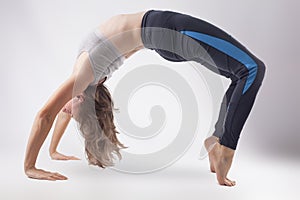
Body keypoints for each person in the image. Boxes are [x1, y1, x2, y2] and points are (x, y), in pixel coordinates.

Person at [24, 10, 265, 186]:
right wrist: (30, 167)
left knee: (241, 72)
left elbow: (55, 114)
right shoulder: (86, 74)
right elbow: (46, 115)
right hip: (167, 31)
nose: (64, 112)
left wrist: (53, 151)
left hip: (162, 36)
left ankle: (216, 140)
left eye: (67, 112)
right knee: (252, 69)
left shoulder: (87, 76)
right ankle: (226, 148)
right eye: (70, 112)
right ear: (83, 99)